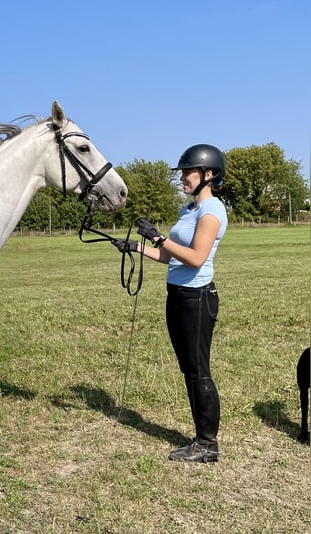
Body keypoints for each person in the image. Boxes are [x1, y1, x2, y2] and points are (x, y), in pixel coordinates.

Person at [114, 144, 228, 463]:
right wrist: (136, 246)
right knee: (188, 370)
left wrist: (158, 237)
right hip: (176, 296)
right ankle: (202, 440)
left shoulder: (212, 211)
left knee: (198, 372)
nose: (182, 179)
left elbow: (194, 258)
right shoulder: (188, 211)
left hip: (197, 298)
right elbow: (168, 257)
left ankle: (207, 444)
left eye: (187, 173)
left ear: (208, 174)